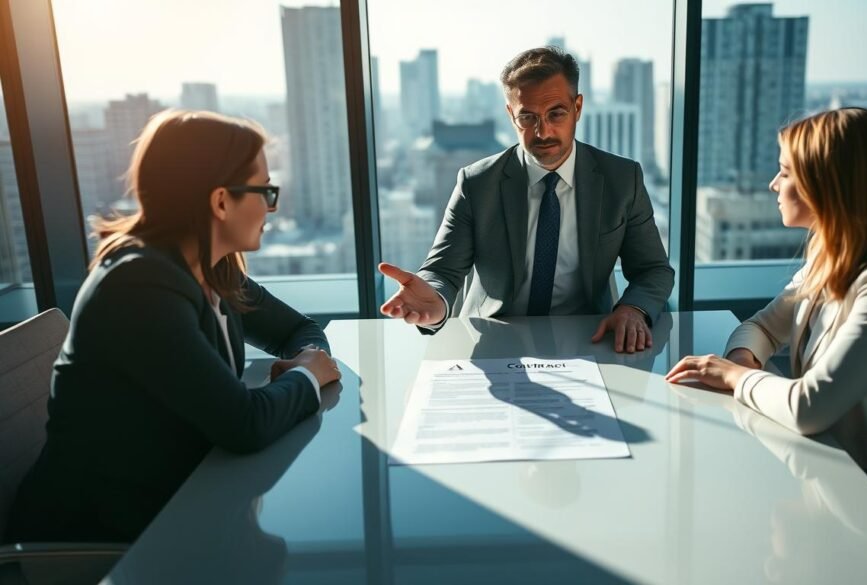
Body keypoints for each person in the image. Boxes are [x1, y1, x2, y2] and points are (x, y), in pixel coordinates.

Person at [4, 110, 341, 544]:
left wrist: (303, 361)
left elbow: (298, 329)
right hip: (100, 538)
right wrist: (306, 376)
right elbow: (244, 425)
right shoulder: (139, 286)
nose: (271, 207)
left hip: (177, 500)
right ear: (221, 201)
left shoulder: (213, 268)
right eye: (265, 191)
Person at [665, 107, 867, 496]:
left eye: (786, 172)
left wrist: (733, 376)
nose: (774, 184)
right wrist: (742, 359)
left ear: (829, 184)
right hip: (841, 466)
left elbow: (810, 407)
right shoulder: (833, 257)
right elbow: (760, 326)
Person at [377, 46, 674, 354]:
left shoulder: (622, 179)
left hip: (589, 338)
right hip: (491, 338)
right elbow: (443, 270)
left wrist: (633, 308)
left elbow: (653, 269)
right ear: (510, 115)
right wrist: (435, 302)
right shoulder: (477, 183)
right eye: (527, 117)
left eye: (556, 114)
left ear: (578, 107)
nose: (542, 131)